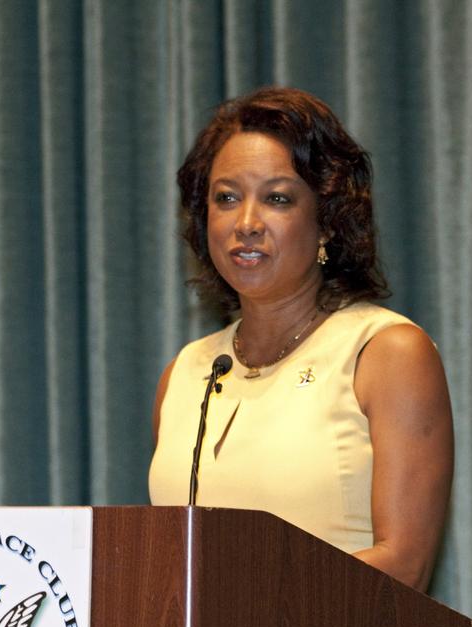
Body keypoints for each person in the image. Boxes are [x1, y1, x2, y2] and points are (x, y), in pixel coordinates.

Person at [148, 87, 453, 592]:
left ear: (327, 223)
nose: (246, 223)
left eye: (277, 198)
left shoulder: (386, 353)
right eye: (226, 198)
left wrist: (249, 606)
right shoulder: (187, 373)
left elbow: (404, 565)